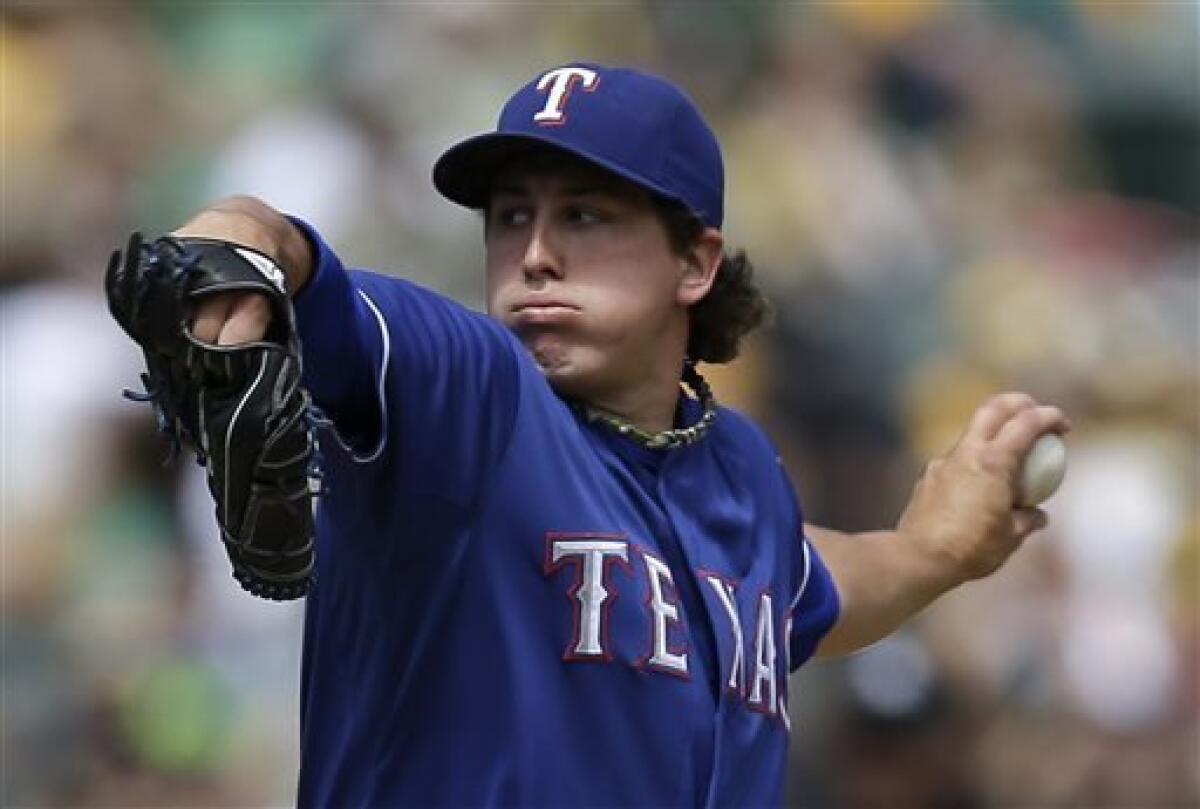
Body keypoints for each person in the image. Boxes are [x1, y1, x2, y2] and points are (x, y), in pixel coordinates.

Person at [159, 64, 1066, 806]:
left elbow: (812, 583)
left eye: (585, 214)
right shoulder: (471, 396)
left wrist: (936, 549)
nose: (536, 252)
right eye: (512, 216)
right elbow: (285, 253)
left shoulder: (741, 471)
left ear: (696, 261)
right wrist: (233, 248)